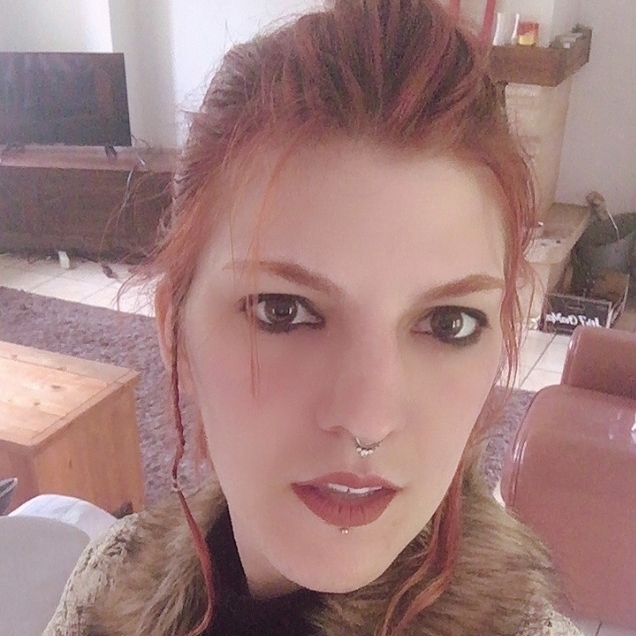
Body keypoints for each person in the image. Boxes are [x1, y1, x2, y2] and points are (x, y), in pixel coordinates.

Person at [44, 1, 582, 635]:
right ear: (175, 336)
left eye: (448, 324)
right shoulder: (107, 579)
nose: (367, 420)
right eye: (284, 311)